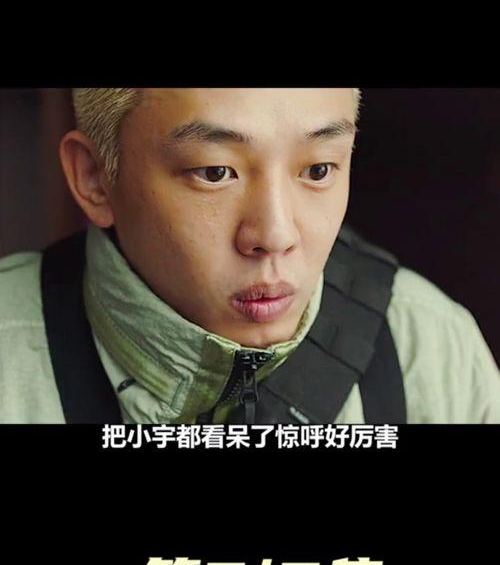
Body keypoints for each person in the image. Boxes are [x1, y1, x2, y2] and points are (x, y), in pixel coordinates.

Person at [0, 87, 498, 424]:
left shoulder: (426, 348)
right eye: (215, 172)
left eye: (319, 170)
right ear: (93, 177)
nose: (276, 236)